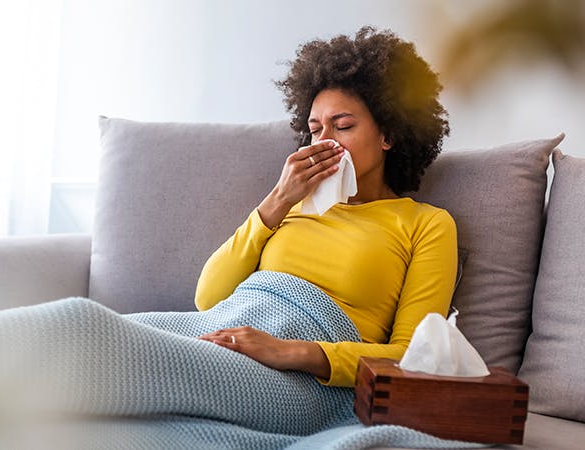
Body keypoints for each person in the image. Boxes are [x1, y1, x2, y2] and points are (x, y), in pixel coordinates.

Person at [195, 26, 457, 388]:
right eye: (316, 129)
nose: (325, 142)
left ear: (389, 135)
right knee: (88, 325)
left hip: (297, 378)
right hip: (218, 336)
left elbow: (413, 355)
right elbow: (208, 299)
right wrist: (280, 198)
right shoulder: (290, 204)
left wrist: (291, 352)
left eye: (343, 125)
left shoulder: (425, 224)